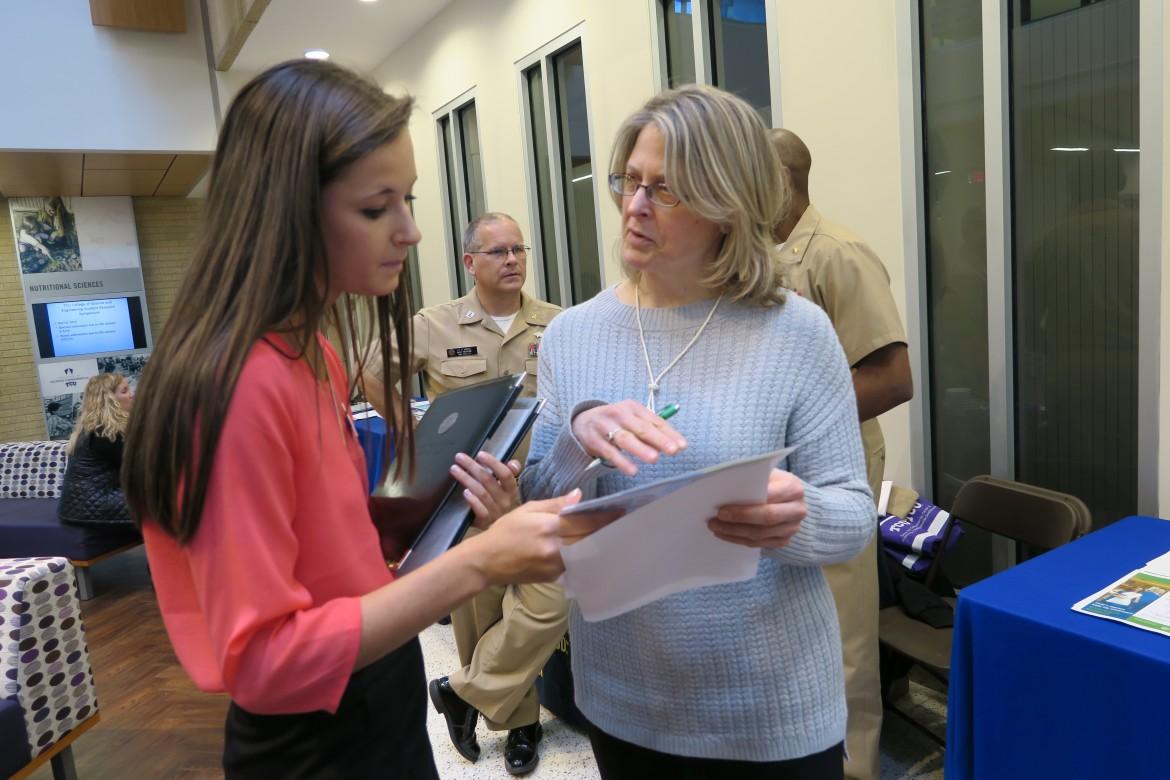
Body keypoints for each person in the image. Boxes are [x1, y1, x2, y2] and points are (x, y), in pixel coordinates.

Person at [121, 60, 590, 779]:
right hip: (318, 739)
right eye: (376, 209)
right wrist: (479, 563)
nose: (410, 232)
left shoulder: (315, 354)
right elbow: (266, 661)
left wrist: (433, 508)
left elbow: (330, 550)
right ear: (288, 211)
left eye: (407, 200)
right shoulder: (235, 385)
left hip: (378, 691)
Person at [520, 84, 874, 779]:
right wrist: (576, 442)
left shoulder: (796, 331)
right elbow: (536, 495)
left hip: (769, 711)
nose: (635, 205)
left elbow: (854, 515)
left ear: (726, 206)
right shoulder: (572, 334)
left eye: (665, 190)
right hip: (623, 698)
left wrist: (794, 517)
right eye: (629, 180)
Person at [360, 211, 564, 775]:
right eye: (498, 252)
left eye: (519, 249)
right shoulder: (436, 324)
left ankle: (463, 692)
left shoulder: (556, 323)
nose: (512, 260)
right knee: (483, 610)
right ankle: (519, 724)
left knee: (550, 601)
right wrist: (416, 433)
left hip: (534, 489)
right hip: (467, 498)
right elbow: (369, 371)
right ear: (470, 262)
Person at [770, 128, 914, 780]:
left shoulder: (837, 254)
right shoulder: (759, 257)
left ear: (780, 182)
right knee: (792, 623)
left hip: (836, 464)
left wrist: (792, 414)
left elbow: (892, 379)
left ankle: (855, 770)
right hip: (777, 465)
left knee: (843, 630)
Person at [58, 373, 137, 528]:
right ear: (109, 399)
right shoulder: (106, 433)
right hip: (94, 505)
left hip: (81, 505)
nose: (132, 394)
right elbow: (137, 470)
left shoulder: (93, 428)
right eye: (125, 391)